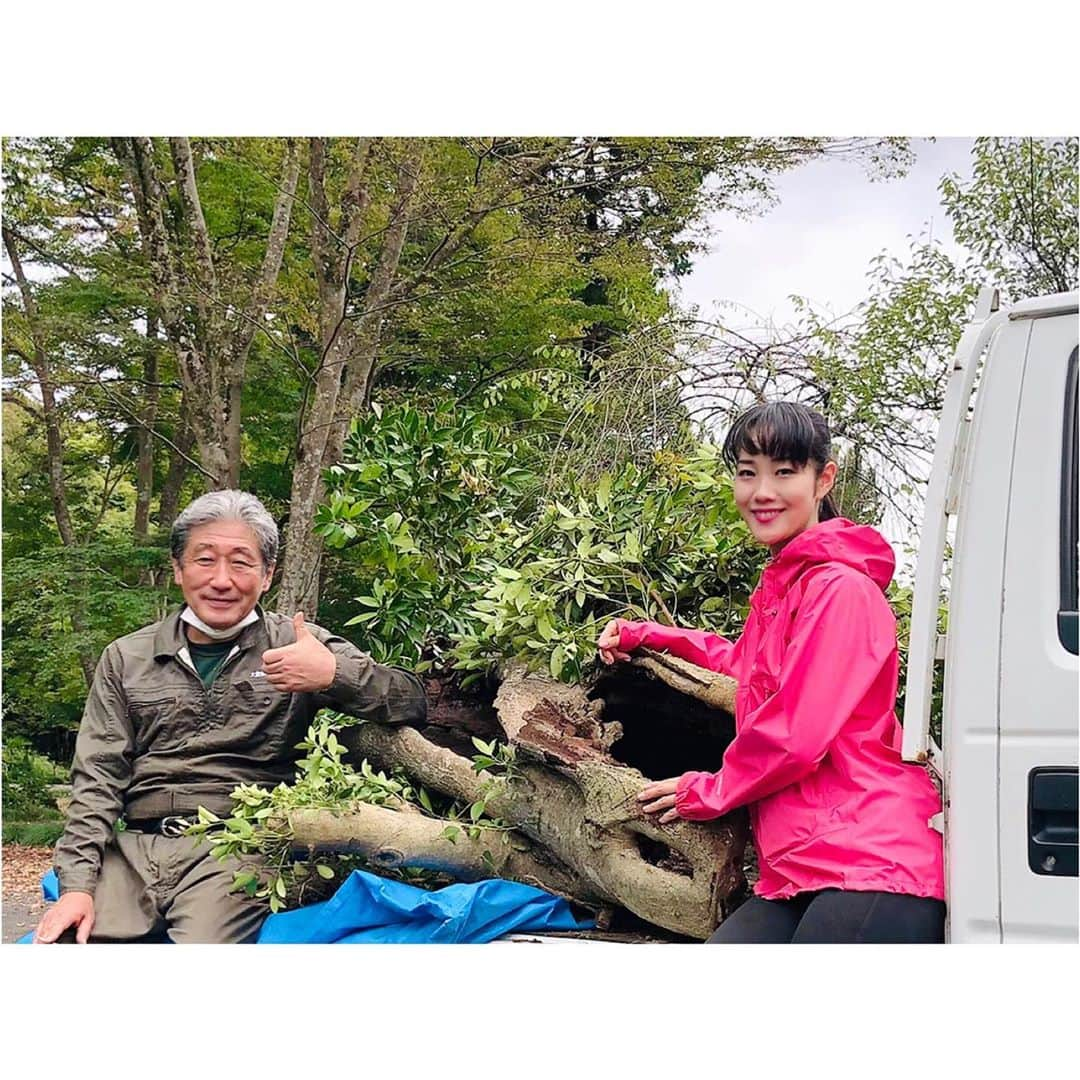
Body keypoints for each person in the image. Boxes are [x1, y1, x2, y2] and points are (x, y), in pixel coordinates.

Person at [597, 402, 946, 943]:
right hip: (801, 864)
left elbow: (797, 732)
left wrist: (709, 790)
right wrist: (650, 635)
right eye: (747, 472)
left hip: (870, 859)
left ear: (823, 478)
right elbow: (747, 664)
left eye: (784, 471)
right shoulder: (787, 587)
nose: (763, 492)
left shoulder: (840, 591)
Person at [33, 490, 427, 944]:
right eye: (204, 560)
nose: (222, 580)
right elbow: (97, 779)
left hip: (239, 847)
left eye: (241, 562)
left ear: (266, 576)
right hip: (136, 851)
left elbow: (410, 699)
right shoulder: (127, 657)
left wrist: (332, 673)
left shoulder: (295, 643)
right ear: (178, 570)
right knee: (61, 948)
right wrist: (78, 886)